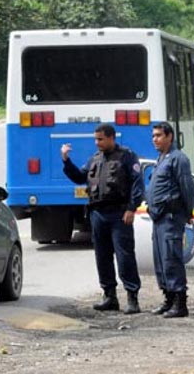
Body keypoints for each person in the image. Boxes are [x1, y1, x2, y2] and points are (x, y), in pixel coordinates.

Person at [61, 123, 143, 314]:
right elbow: (80, 177)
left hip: (119, 214)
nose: (97, 143)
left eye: (101, 139)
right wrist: (66, 160)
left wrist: (132, 208)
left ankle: (132, 298)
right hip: (98, 214)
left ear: (111, 138)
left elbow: (137, 185)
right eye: (96, 139)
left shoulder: (127, 156)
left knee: (125, 256)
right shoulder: (95, 159)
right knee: (102, 256)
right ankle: (109, 296)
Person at [145, 122, 194, 318]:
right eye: (153, 136)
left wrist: (188, 212)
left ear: (170, 136)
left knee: (171, 259)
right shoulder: (161, 158)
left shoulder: (178, 159)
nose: (155, 139)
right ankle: (168, 298)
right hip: (159, 218)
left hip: (171, 217)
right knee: (161, 261)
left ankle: (180, 303)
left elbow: (187, 188)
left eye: (158, 135)